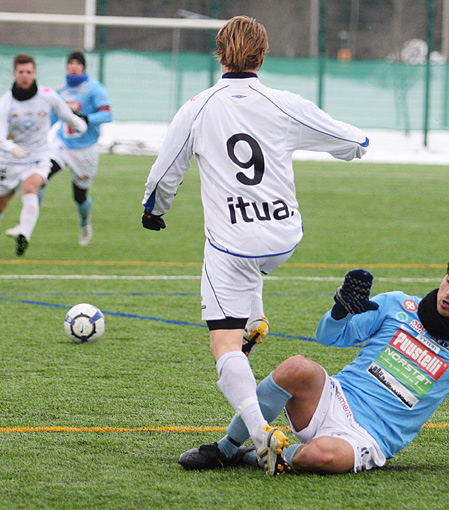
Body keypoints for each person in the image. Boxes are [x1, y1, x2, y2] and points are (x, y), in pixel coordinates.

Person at [141, 16, 369, 458]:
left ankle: (259, 430)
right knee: (248, 261)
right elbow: (352, 140)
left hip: (234, 245)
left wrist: (154, 211)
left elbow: (166, 172)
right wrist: (355, 145)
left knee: (223, 342)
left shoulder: (197, 107)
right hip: (284, 238)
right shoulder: (285, 103)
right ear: (263, 55)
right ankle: (255, 316)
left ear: (219, 53)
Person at [177, 251, 449, 477]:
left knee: (319, 457)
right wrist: (341, 311)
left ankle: (252, 456)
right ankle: (226, 448)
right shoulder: (399, 304)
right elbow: (329, 337)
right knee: (297, 366)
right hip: (334, 397)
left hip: (369, 438)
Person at [0, 53, 87, 256]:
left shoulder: (47, 95)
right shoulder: (6, 102)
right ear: (14, 74)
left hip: (38, 157)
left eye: (29, 72)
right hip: (9, 160)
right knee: (2, 202)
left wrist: (81, 125)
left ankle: (25, 234)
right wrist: (12, 148)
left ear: (34, 73)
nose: (25, 76)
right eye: (21, 72)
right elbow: (1, 136)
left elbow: (66, 115)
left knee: (31, 187)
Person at [40, 50, 113, 246]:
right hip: (62, 144)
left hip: (85, 150)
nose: (73, 66)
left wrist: (86, 118)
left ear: (83, 67)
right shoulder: (61, 89)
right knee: (39, 177)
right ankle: (27, 224)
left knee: (79, 195)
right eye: (70, 63)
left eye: (77, 63)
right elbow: (52, 117)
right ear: (66, 66)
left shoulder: (94, 88)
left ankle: (84, 223)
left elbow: (107, 115)